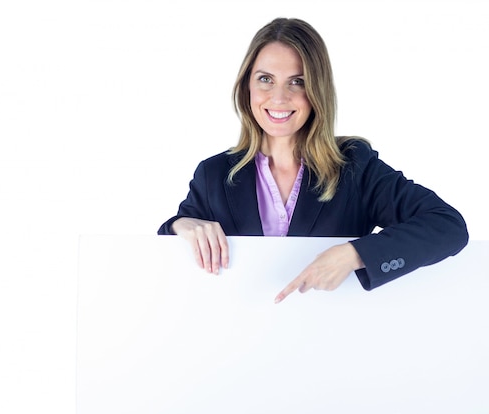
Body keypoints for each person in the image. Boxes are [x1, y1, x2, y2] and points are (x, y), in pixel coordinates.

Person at [158, 17, 469, 303]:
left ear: (317, 90)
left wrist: (353, 254)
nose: (279, 97)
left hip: (329, 346)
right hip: (237, 346)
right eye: (265, 78)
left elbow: (447, 226)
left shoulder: (353, 167)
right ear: (246, 87)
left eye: (298, 81)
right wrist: (181, 226)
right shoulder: (214, 174)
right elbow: (165, 255)